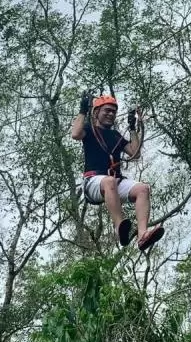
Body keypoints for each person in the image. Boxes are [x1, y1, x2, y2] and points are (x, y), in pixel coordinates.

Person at [70, 93, 164, 251]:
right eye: (107, 110)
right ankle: (120, 226)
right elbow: (75, 134)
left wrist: (133, 127)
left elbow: (135, 153)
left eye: (113, 111)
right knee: (109, 181)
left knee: (143, 189)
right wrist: (82, 110)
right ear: (96, 113)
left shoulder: (115, 135)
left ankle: (142, 235)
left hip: (113, 181)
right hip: (93, 181)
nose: (111, 114)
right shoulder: (89, 129)